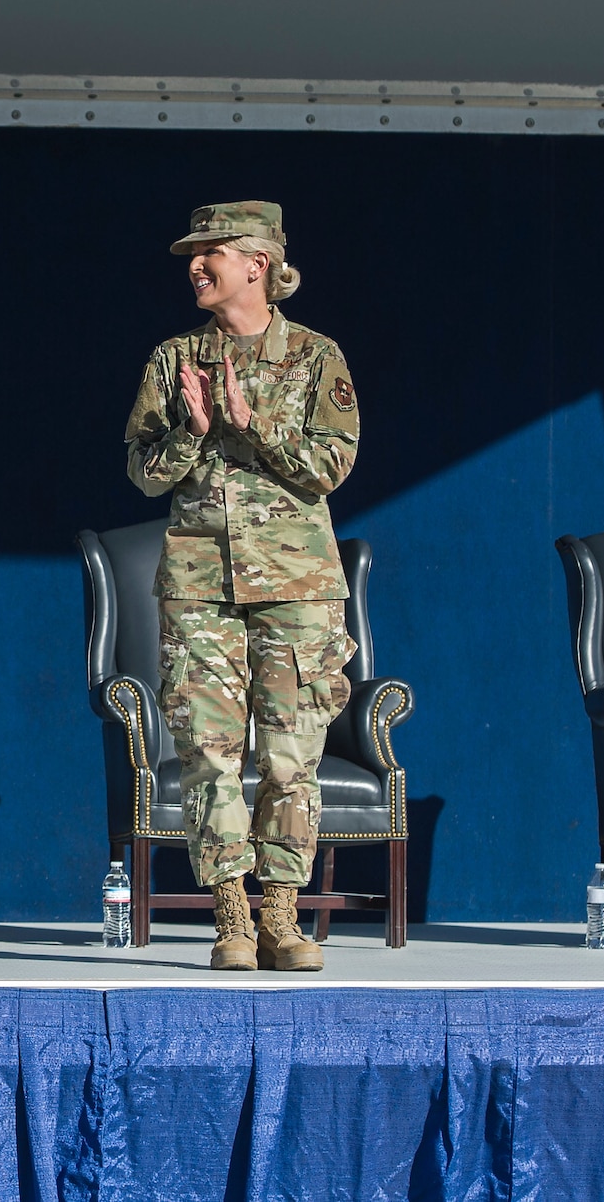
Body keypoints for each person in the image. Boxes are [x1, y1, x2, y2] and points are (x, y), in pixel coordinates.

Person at [125, 200, 360, 971]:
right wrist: (193, 431)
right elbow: (142, 474)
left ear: (257, 263)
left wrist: (249, 421)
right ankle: (231, 918)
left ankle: (282, 918)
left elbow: (330, 467)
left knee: (292, 758)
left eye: (211, 252)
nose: (195, 265)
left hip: (296, 585)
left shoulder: (317, 356)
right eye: (193, 254)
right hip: (200, 586)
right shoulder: (171, 358)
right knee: (207, 754)